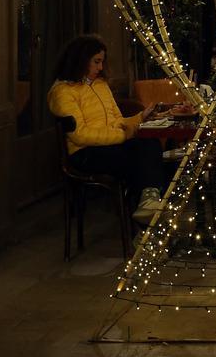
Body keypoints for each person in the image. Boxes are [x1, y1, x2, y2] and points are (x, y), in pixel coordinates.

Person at [47, 34, 165, 223]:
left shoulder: (100, 85)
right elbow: (79, 135)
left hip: (109, 145)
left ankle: (148, 207)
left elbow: (117, 121)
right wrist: (122, 136)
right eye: (96, 62)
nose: (101, 67)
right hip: (84, 153)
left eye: (102, 62)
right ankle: (147, 215)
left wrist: (140, 118)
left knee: (150, 143)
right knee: (141, 159)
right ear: (81, 59)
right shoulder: (63, 91)